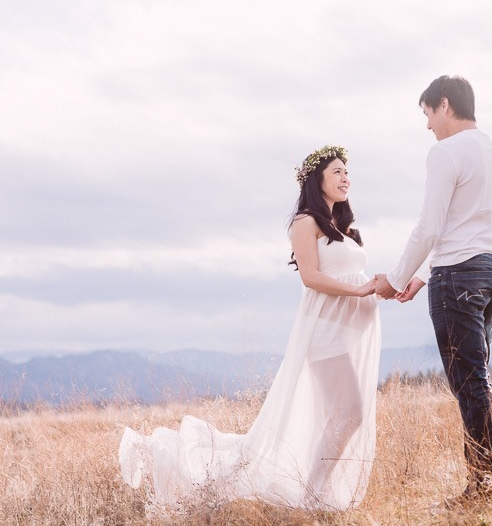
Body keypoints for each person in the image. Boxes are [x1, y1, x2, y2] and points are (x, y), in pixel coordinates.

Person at [119, 145, 381, 512]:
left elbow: (353, 275)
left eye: (347, 172)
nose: (345, 178)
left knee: (334, 415)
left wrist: (383, 287)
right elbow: (311, 277)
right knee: (350, 412)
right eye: (337, 171)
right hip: (324, 331)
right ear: (316, 179)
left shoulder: (345, 226)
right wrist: (359, 289)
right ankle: (312, 495)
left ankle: (313, 492)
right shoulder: (305, 222)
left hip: (347, 330)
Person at [374, 75, 492, 509]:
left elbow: (431, 226)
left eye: (427, 114)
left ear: (444, 105)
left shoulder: (444, 152)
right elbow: (468, 223)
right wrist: (422, 275)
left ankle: (484, 489)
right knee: (479, 380)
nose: (427, 126)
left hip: (458, 278)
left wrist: (398, 277)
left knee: (469, 384)